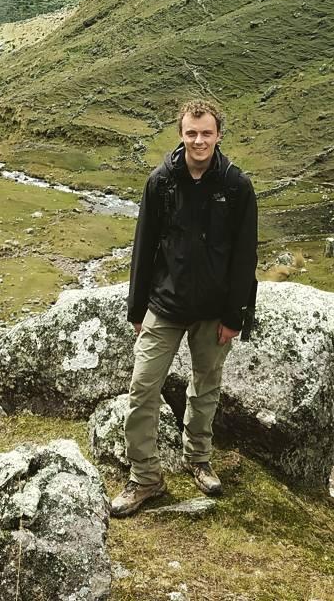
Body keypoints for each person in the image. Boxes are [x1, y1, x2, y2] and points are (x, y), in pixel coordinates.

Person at [110, 99, 258, 518]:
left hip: (214, 310)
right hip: (165, 304)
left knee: (206, 386)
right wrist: (137, 309)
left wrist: (235, 317)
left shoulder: (236, 186)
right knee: (142, 388)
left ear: (218, 136)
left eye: (206, 133)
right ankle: (145, 478)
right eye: (191, 133)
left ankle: (198, 459)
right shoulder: (161, 182)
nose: (198, 141)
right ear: (181, 134)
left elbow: (245, 257)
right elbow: (143, 246)